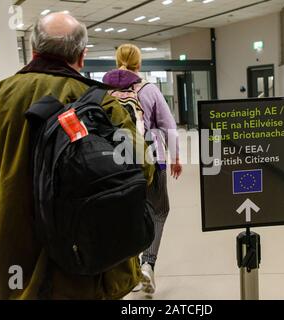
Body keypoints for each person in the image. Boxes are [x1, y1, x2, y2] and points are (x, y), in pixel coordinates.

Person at [0, 13, 153, 300]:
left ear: (34, 48)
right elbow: (143, 170)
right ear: (82, 55)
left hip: (11, 260)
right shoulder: (100, 103)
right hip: (83, 265)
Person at [103, 44, 183, 295]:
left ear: (118, 61)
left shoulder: (103, 91)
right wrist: (175, 156)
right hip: (150, 159)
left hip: (114, 165)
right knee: (159, 211)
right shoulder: (149, 90)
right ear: (140, 64)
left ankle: (131, 269)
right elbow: (168, 125)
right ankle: (148, 264)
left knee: (126, 216)